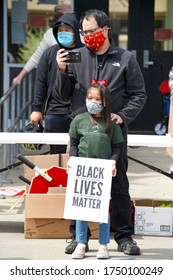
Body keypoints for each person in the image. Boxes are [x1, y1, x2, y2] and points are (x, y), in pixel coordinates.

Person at [56, 9, 147, 255]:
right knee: (80, 185)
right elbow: (63, 95)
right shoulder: (76, 57)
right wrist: (62, 71)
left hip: (112, 133)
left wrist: (123, 116)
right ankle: (78, 236)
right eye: (83, 32)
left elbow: (139, 95)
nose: (87, 37)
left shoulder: (126, 58)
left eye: (91, 31)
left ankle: (124, 236)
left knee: (117, 184)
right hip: (83, 132)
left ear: (105, 30)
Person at [67, 80, 124, 259]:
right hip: (83, 171)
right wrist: (72, 160)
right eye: (89, 97)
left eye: (97, 99)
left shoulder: (112, 123)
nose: (93, 101)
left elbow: (117, 147)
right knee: (81, 208)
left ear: (105, 101)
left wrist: (113, 162)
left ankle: (103, 245)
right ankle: (81, 243)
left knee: (102, 210)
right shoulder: (79, 120)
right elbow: (74, 143)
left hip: (102, 173)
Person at [30, 12, 83, 154]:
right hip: (55, 112)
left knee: (79, 153)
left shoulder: (85, 52)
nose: (63, 34)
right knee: (57, 155)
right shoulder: (49, 53)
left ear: (75, 31)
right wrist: (37, 109)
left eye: (67, 30)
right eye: (60, 31)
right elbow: (40, 82)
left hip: (80, 112)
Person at [12, 3, 74, 86]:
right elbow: (36, 56)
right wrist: (20, 76)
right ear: (58, 18)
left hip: (76, 80)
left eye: (71, 16)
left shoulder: (79, 33)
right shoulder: (50, 34)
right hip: (55, 81)